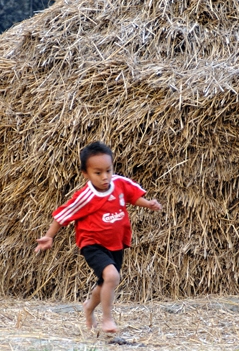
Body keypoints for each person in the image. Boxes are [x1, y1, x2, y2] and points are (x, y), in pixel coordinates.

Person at [34, 142, 162, 333]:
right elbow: (63, 216)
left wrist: (147, 204)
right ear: (85, 173)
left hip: (116, 244)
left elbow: (131, 196)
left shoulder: (119, 183)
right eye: (98, 173)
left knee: (105, 282)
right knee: (112, 276)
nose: (105, 177)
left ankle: (89, 307)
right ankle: (107, 319)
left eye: (108, 170)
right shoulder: (85, 197)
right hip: (92, 244)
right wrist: (49, 237)